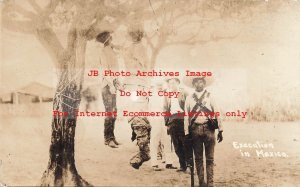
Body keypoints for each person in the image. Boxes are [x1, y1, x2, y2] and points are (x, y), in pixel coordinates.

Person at [183, 76, 223, 187]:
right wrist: (186, 132)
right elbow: (186, 116)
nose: (198, 84)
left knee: (210, 159)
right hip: (195, 130)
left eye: (200, 82)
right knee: (198, 159)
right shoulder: (189, 97)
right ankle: (202, 183)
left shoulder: (211, 96)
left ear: (204, 83)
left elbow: (217, 112)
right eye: (196, 82)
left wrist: (220, 129)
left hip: (209, 129)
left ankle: (210, 184)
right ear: (193, 84)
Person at [96, 31, 122, 148]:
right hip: (106, 85)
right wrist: (111, 84)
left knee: (114, 111)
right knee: (109, 111)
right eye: (111, 38)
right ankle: (108, 139)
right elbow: (105, 71)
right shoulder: (103, 52)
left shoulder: (112, 52)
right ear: (109, 40)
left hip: (112, 84)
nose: (113, 40)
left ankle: (112, 136)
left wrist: (117, 83)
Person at [163, 77, 189, 172]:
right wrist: (167, 122)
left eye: (173, 83)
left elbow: (189, 106)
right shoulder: (167, 95)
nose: (171, 85)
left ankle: (190, 165)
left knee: (185, 143)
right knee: (176, 146)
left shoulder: (184, 93)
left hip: (182, 119)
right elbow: (165, 109)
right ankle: (183, 166)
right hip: (172, 120)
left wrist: (188, 121)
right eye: (170, 83)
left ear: (178, 83)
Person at [149, 81, 175, 171]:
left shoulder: (167, 94)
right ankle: (154, 163)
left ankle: (169, 162)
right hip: (155, 118)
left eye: (161, 84)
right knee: (154, 140)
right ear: (155, 85)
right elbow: (149, 108)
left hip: (166, 119)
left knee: (167, 139)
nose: (160, 86)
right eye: (158, 85)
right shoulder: (151, 94)